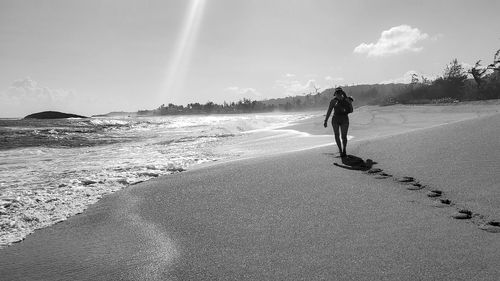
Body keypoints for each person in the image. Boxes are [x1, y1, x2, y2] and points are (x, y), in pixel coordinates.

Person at [324, 87, 353, 157]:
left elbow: (329, 111)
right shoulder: (345, 100)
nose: (338, 94)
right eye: (338, 93)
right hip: (342, 119)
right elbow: (351, 110)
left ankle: (342, 150)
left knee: (339, 136)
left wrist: (326, 120)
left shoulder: (334, 101)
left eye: (339, 93)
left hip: (338, 119)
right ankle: (342, 150)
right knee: (343, 136)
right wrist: (326, 120)